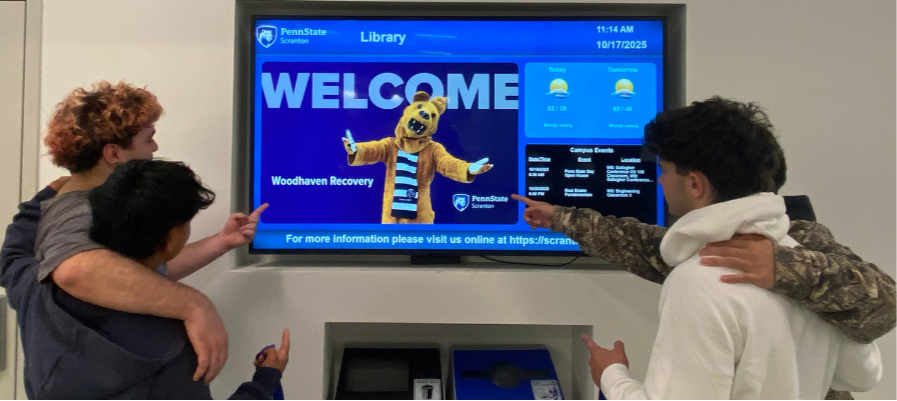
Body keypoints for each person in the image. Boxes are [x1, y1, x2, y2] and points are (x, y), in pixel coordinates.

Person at [514, 98, 889, 399]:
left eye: (663, 169)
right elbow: (860, 373)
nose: (659, 181)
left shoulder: (702, 280)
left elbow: (883, 299)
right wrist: (559, 218)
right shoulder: (798, 257)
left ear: (695, 184)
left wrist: (611, 375)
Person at [0, 81, 263, 395]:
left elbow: (137, 272)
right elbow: (76, 270)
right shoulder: (79, 212)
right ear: (113, 153)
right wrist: (195, 305)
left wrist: (222, 242)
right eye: (148, 139)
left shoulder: (57, 209)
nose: (154, 149)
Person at [2, 160, 288, 398]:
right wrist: (266, 379)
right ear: (170, 238)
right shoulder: (173, 347)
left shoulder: (35, 287)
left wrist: (55, 192)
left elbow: (12, 253)